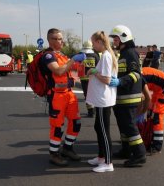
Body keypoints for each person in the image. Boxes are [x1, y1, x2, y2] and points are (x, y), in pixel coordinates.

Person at [42, 28, 86, 166]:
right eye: (57, 38)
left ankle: (67, 148)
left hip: (69, 95)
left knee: (76, 123)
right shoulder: (48, 56)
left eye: (61, 38)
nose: (60, 41)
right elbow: (59, 70)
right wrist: (73, 59)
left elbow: (74, 75)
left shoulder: (62, 56)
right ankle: (53, 154)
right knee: (57, 127)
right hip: (57, 96)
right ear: (50, 40)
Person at [109, 25, 146, 167]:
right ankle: (126, 150)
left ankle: (139, 154)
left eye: (116, 38)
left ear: (123, 37)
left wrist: (120, 81)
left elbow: (136, 74)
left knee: (129, 126)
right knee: (123, 125)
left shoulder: (131, 53)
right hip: (122, 97)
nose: (114, 41)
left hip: (129, 97)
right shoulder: (123, 54)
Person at [85, 31, 118, 173]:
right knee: (98, 128)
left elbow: (107, 79)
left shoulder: (106, 56)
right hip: (100, 99)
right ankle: (101, 157)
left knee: (104, 131)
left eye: (93, 43)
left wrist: (93, 72)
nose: (92, 46)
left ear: (99, 42)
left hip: (103, 99)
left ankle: (108, 163)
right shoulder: (105, 55)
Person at [141, 61, 164, 154]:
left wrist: (142, 110)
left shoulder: (139, 77)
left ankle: (157, 145)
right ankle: (150, 137)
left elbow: (146, 96)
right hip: (159, 89)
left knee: (157, 116)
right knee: (149, 113)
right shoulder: (138, 73)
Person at [78, 40, 100, 117]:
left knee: (87, 95)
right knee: (94, 94)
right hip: (93, 78)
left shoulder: (80, 54)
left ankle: (90, 112)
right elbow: (98, 67)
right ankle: (95, 110)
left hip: (84, 79)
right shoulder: (95, 55)